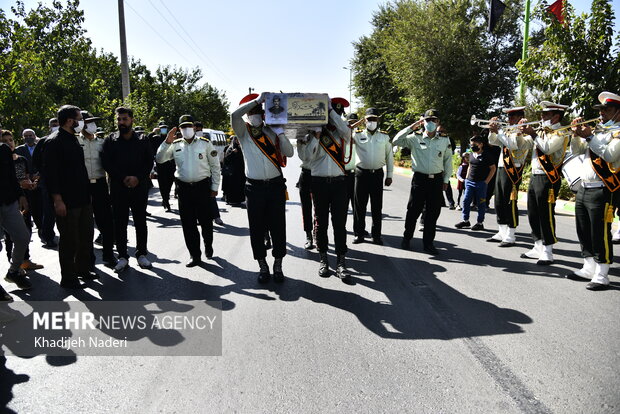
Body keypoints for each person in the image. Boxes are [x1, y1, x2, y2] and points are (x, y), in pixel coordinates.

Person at [230, 93, 294, 283]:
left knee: (278, 227)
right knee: (256, 229)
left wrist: (281, 133)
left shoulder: (272, 131)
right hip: (254, 188)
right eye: (251, 112)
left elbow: (289, 153)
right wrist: (257, 100)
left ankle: (278, 264)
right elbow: (234, 115)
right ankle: (262, 265)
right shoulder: (244, 132)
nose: (254, 114)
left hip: (275, 187)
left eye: (258, 111)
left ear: (265, 113)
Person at [566, 91, 620, 290]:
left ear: (618, 112)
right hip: (584, 186)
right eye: (601, 110)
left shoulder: (617, 133)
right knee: (583, 229)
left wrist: (589, 137)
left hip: (603, 187)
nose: (602, 113)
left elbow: (609, 155)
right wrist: (575, 134)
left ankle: (602, 273)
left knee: (600, 232)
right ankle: (588, 266)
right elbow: (576, 151)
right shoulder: (600, 131)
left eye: (607, 110)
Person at [299, 97, 353, 283]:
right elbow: (306, 158)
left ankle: (341, 261)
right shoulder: (311, 133)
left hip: (339, 183)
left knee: (340, 224)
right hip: (319, 182)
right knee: (321, 223)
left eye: (337, 114)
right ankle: (323, 259)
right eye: (332, 113)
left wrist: (330, 112)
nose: (335, 117)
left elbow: (347, 133)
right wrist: (315, 136)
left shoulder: (341, 131)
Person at [156, 115, 221, 267]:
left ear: (194, 127)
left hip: (203, 187)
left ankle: (208, 243)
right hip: (184, 189)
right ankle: (194, 255)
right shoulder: (175, 144)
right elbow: (160, 159)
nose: (187, 129)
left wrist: (215, 187)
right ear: (179, 129)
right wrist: (166, 142)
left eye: (189, 126)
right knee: (188, 224)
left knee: (206, 222)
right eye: (183, 127)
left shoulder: (205, 144)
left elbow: (215, 167)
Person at [42, 105, 95, 288]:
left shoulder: (73, 139)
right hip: (67, 202)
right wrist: (58, 200)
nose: (82, 122)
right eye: (79, 118)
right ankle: (69, 278)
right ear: (70, 121)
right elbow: (51, 175)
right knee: (69, 241)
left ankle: (82, 270)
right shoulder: (54, 142)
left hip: (82, 199)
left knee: (85, 237)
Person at [393, 109, 453, 254]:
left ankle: (428, 244)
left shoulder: (445, 140)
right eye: (427, 120)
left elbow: (448, 162)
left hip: (436, 180)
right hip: (419, 179)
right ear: (423, 122)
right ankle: (407, 238)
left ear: (438, 122)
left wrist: (446, 180)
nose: (430, 123)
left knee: (433, 213)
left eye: (434, 120)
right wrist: (411, 127)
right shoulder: (414, 137)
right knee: (413, 211)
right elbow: (396, 141)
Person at [102, 107, 154, 272]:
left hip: (139, 188)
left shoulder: (143, 139)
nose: (121, 122)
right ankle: (123, 256)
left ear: (132, 120)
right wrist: (123, 178)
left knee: (140, 221)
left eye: (124, 119)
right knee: (120, 223)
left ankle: (142, 255)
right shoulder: (110, 140)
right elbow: (107, 163)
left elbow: (148, 162)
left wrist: (137, 178)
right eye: (119, 119)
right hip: (119, 188)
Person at [519, 101, 570, 265]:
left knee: (545, 214)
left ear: (556, 116)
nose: (541, 116)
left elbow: (547, 149)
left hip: (548, 177)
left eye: (545, 114)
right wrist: (521, 132)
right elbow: (523, 145)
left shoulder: (561, 133)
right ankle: (537, 246)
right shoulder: (541, 131)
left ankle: (548, 250)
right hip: (535, 175)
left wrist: (533, 134)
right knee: (533, 213)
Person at [487, 106, 531, 246]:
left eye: (512, 117)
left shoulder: (525, 132)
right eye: (509, 117)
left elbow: (512, 145)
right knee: (499, 200)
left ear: (519, 117)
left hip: (513, 170)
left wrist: (499, 131)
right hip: (502, 167)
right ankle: (501, 230)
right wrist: (492, 130)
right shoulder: (508, 130)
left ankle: (511, 234)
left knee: (510, 202)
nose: (509, 120)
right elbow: (493, 142)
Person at [78, 110, 117, 268]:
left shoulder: (102, 143)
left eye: (93, 122)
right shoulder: (75, 142)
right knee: (85, 225)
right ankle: (88, 260)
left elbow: (111, 163)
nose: (91, 125)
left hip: (100, 184)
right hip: (82, 186)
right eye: (88, 122)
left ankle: (109, 255)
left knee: (106, 222)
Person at [0, 130, 43, 272]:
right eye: (5, 140)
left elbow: (16, 177)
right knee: (8, 238)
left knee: (24, 234)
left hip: (14, 200)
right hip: (9, 200)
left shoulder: (16, 157)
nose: (8, 143)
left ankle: (18, 266)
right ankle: (15, 268)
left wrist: (24, 191)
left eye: (10, 140)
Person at [352, 107, 393, 245]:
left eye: (374, 119)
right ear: (364, 121)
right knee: (359, 206)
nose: (372, 121)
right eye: (369, 119)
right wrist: (354, 125)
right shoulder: (356, 135)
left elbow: (389, 156)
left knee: (377, 207)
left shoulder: (384, 136)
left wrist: (389, 175)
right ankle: (359, 234)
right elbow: (344, 136)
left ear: (378, 120)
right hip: (361, 174)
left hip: (377, 174)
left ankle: (376, 235)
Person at [0, 133, 32, 300]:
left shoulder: (4, 150)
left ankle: (13, 271)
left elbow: (11, 176)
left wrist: (21, 195)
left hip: (9, 202)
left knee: (22, 237)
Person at [454, 135, 497, 230]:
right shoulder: (471, 154)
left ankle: (480, 223)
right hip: (469, 182)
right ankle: (465, 221)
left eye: (474, 144)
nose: (472, 146)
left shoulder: (487, 155)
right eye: (471, 144)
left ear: (481, 144)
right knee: (466, 201)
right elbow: (470, 166)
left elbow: (493, 169)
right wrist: (466, 178)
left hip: (481, 183)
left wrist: (486, 182)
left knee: (481, 204)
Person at [32, 118, 59, 247]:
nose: (55, 127)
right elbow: (36, 160)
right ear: (49, 127)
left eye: (57, 125)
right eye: (53, 125)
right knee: (49, 211)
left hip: (63, 182)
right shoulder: (43, 141)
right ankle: (48, 236)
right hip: (47, 181)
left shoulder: (66, 139)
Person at [15, 129, 43, 239]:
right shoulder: (19, 150)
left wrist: (38, 176)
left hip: (39, 183)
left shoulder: (40, 147)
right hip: (25, 185)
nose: (28, 138)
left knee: (39, 209)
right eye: (26, 136)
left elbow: (44, 163)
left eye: (30, 135)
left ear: (35, 136)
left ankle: (42, 230)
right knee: (27, 211)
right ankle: (27, 234)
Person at [195, 121, 224, 226]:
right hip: (196, 176)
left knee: (211, 198)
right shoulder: (190, 144)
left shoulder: (207, 143)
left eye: (199, 130)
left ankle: (216, 217)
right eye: (196, 130)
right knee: (198, 200)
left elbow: (215, 162)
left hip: (208, 175)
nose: (197, 132)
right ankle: (200, 218)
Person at [148, 121, 176, 212]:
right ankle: (165, 200)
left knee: (169, 183)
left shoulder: (172, 138)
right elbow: (147, 140)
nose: (163, 129)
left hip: (170, 165)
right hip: (160, 165)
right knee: (162, 184)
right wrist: (153, 132)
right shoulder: (156, 138)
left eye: (165, 127)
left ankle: (166, 197)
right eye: (162, 128)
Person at [296, 128, 317, 250]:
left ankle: (316, 232)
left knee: (319, 208)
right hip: (306, 174)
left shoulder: (323, 135)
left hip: (319, 175)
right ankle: (308, 235)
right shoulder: (303, 137)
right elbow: (305, 157)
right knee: (306, 207)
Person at [222, 136, 246, 206]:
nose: (238, 141)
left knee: (240, 185)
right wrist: (232, 153)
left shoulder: (241, 148)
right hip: (233, 172)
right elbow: (226, 159)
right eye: (237, 140)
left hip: (240, 171)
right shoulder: (230, 148)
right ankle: (231, 200)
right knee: (232, 186)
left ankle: (240, 199)